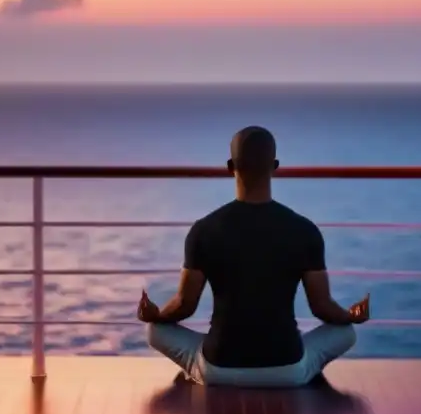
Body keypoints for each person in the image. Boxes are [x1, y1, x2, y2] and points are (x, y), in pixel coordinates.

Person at [137, 126, 370, 387]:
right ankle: (303, 373)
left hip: (219, 368)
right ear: (275, 166)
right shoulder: (304, 230)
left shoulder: (203, 230)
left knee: (155, 332)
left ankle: (197, 372)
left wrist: (156, 316)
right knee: (346, 333)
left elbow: (184, 305)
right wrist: (350, 316)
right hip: (287, 369)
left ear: (230, 166)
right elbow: (322, 307)